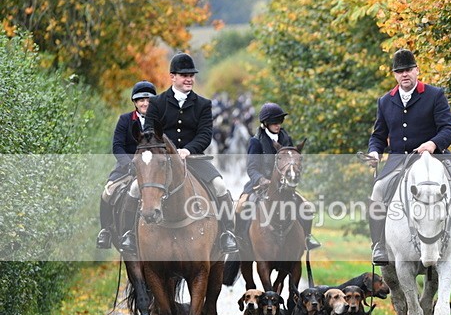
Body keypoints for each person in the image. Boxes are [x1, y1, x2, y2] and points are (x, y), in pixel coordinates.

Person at [367, 48, 451, 265]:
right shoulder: (385, 101)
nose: (404, 74)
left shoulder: (434, 94)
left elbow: (449, 128)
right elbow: (378, 135)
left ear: (417, 70)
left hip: (437, 157)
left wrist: (432, 144)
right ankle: (378, 245)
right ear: (394, 75)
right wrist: (374, 151)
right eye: (400, 71)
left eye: (408, 70)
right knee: (378, 190)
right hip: (400, 161)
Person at [119, 52, 239, 255]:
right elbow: (149, 133)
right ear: (172, 77)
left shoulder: (203, 104)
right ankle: (129, 234)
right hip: (161, 161)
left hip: (194, 160)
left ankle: (227, 233)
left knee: (219, 185)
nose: (189, 79)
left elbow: (205, 134)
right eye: (184, 75)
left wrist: (188, 150)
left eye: (191, 75)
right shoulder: (157, 103)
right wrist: (166, 152)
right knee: (134, 189)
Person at [237, 102, 320, 250]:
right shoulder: (256, 142)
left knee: (307, 207)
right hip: (260, 184)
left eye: (280, 121)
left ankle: (307, 238)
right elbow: (252, 168)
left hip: (285, 185)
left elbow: (293, 160)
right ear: (265, 123)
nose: (278, 125)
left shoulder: (286, 138)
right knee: (241, 206)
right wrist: (262, 179)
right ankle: (239, 240)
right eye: (274, 122)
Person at [96, 80, 158, 249]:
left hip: (154, 168)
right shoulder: (125, 120)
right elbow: (117, 146)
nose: (145, 103)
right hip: (128, 166)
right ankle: (106, 231)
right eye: (141, 100)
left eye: (148, 100)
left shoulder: (160, 121)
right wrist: (129, 164)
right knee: (108, 192)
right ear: (135, 102)